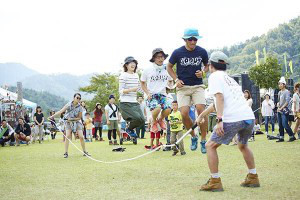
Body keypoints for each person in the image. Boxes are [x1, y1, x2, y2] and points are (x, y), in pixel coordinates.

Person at [196, 51, 259, 192]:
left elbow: (219, 98)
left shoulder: (214, 77)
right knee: (243, 145)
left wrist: (219, 120)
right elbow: (218, 102)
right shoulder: (230, 79)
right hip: (248, 117)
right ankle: (253, 177)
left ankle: (215, 181)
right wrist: (202, 115)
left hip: (233, 118)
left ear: (210, 65)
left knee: (210, 146)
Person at [167, 28, 209, 154]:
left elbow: (207, 65)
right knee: (184, 113)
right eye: (190, 39)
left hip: (197, 86)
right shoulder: (177, 52)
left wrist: (203, 72)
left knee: (201, 110)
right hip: (183, 87)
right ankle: (193, 137)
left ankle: (203, 139)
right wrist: (176, 80)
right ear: (185, 39)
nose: (193, 41)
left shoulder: (202, 51)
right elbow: (169, 66)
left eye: (195, 39)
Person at [141, 48, 172, 137]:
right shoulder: (148, 69)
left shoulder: (167, 69)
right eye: (158, 57)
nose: (160, 59)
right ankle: (154, 121)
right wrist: (147, 93)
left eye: (162, 57)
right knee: (157, 108)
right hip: (151, 95)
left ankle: (160, 119)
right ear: (154, 58)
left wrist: (170, 85)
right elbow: (142, 83)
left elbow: (170, 80)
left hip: (162, 94)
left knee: (168, 108)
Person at [49, 93, 91, 158]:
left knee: (81, 137)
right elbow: (60, 111)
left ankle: (85, 151)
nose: (78, 99)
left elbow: (79, 117)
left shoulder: (80, 107)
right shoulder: (68, 104)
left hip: (77, 122)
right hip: (68, 122)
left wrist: (72, 119)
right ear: (74, 98)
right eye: (77, 98)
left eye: (80, 98)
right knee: (67, 135)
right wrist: (52, 116)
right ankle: (66, 153)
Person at [119, 56, 144, 139]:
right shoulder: (123, 75)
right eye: (131, 63)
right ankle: (129, 129)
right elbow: (121, 91)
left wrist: (147, 93)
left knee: (142, 120)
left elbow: (139, 88)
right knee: (136, 118)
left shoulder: (136, 75)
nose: (133, 64)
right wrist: (132, 89)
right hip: (125, 102)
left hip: (134, 102)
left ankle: (129, 129)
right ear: (126, 65)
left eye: (134, 63)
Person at [276, 77, 296, 142]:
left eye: (281, 84)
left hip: (285, 110)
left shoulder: (287, 92)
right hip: (279, 110)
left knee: (285, 124)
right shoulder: (279, 92)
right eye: (279, 84)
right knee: (280, 124)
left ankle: (292, 136)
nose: (279, 85)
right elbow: (278, 101)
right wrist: (278, 105)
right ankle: (281, 137)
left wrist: (281, 108)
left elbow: (287, 101)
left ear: (284, 84)